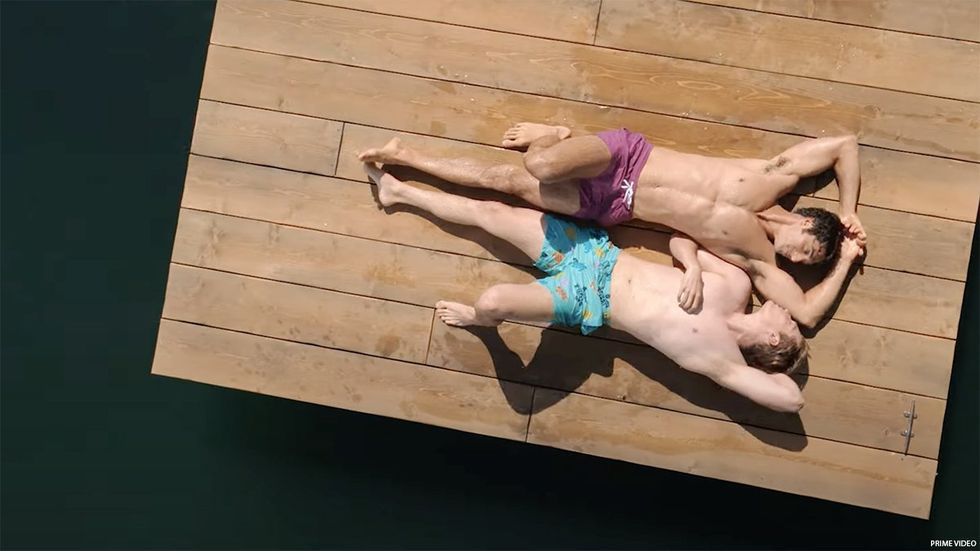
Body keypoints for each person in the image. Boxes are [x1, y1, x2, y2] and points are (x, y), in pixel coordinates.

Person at [362, 164, 859, 412]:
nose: (787, 314)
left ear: (773, 340)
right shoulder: (734, 285)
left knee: (491, 301)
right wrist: (689, 268)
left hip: (588, 299)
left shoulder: (722, 361)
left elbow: (791, 400)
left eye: (787, 325)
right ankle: (399, 192)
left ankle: (478, 321)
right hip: (597, 255)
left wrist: (842, 267)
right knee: (492, 213)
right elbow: (681, 240)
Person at [358, 125, 867, 327]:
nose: (798, 260)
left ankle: (408, 156)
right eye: (809, 250)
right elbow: (844, 145)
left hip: (613, 205)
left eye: (806, 262)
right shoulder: (773, 174)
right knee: (538, 164)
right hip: (628, 156)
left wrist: (843, 261)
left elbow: (805, 313)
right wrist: (850, 212)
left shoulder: (756, 256)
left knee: (505, 182)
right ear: (807, 220)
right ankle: (556, 133)